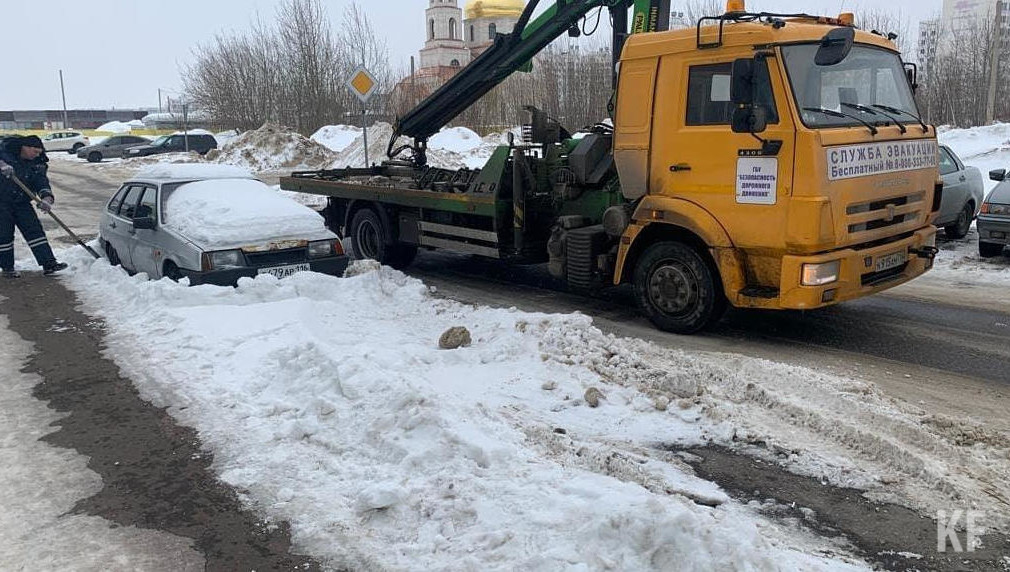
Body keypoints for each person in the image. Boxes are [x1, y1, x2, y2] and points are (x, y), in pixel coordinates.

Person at [0, 135, 67, 278]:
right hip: (2, 202)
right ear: (25, 147)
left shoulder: (38, 162)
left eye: (39, 152)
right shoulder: (5, 151)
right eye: (35, 151)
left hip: (22, 202)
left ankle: (49, 263)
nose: (37, 155)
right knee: (4, 235)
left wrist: (46, 197)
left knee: (35, 232)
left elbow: (41, 181)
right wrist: (1, 164)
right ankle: (7, 268)